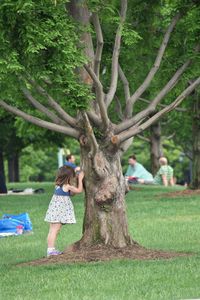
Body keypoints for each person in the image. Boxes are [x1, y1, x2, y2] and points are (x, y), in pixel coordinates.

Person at [44, 165, 84, 257]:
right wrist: (80, 179)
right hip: (59, 212)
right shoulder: (67, 186)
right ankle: (50, 250)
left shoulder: (58, 185)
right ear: (69, 177)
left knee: (52, 230)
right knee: (54, 230)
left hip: (54, 211)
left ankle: (50, 249)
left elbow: (72, 193)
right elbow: (79, 190)